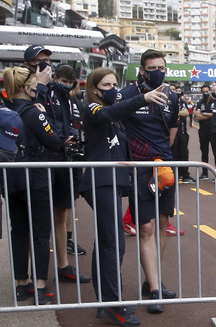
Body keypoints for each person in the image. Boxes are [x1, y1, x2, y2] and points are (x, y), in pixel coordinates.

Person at [79, 67, 166, 326]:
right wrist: (143, 98)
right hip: (100, 181)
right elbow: (107, 112)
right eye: (106, 85)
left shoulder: (113, 118)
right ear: (95, 89)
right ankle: (112, 304)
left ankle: (106, 302)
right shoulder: (93, 109)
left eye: (115, 84)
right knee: (113, 242)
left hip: (113, 182)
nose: (113, 90)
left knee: (108, 241)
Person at [118, 49, 180, 313]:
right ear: (142, 70)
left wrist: (162, 158)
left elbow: (173, 131)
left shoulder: (173, 97)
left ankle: (151, 281)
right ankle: (155, 291)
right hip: (139, 170)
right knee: (146, 228)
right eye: (152, 68)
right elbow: (112, 116)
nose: (158, 72)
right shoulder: (128, 94)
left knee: (163, 223)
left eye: (161, 67)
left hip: (164, 167)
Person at [24, 46, 91, 283]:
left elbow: (69, 118)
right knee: (39, 220)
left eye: (48, 60)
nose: (45, 65)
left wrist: (71, 136)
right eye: (39, 61)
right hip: (38, 161)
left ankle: (63, 266)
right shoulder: (26, 85)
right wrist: (40, 85)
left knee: (61, 213)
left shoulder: (59, 91)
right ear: (28, 64)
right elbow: (30, 112)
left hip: (62, 158)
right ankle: (35, 276)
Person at [3, 67, 62, 305]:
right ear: (27, 87)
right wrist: (45, 114)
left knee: (18, 231)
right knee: (40, 232)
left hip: (9, 177)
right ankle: (39, 287)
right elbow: (55, 141)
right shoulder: (34, 113)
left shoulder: (4, 111)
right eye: (33, 83)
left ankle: (21, 285)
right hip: (35, 177)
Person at [171, 86, 196, 184]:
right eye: (173, 90)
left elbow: (185, 112)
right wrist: (178, 113)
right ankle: (174, 175)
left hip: (182, 132)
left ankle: (184, 174)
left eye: (177, 90)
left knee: (184, 153)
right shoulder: (167, 102)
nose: (175, 92)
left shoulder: (182, 102)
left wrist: (177, 113)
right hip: (172, 132)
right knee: (173, 154)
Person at [194, 84, 213, 180]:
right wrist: (210, 115)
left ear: (210, 91)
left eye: (207, 91)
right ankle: (204, 172)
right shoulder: (200, 103)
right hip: (203, 130)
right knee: (204, 152)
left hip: (214, 130)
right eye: (204, 92)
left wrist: (204, 114)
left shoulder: (215, 102)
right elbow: (197, 116)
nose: (205, 93)